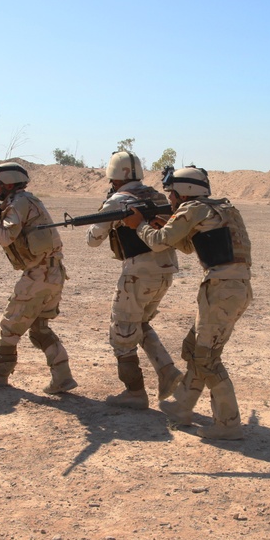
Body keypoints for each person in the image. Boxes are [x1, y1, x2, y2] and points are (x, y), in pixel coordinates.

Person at [122, 166, 252, 440]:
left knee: (206, 358)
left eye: (172, 193)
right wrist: (166, 227)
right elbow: (193, 245)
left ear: (186, 191)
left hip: (221, 290)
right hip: (231, 288)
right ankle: (182, 407)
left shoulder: (192, 208)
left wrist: (140, 226)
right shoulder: (221, 208)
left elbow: (158, 243)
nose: (169, 198)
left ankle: (228, 424)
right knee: (193, 348)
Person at [0, 161, 77, 395]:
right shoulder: (27, 200)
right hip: (54, 271)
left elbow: (6, 236)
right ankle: (63, 377)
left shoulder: (18, 203)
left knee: (10, 324)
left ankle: (0, 370)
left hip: (39, 273)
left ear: (8, 182)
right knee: (39, 328)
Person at [87, 151, 182, 409]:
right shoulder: (156, 195)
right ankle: (167, 371)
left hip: (138, 273)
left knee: (121, 332)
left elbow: (93, 239)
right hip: (165, 270)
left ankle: (134, 392)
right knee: (139, 324)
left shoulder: (118, 200)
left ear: (113, 177)